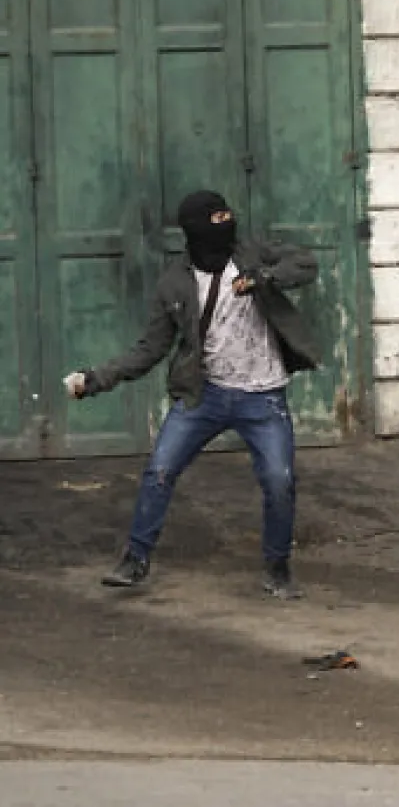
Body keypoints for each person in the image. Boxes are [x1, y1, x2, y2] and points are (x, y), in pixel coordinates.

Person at [65, 191, 318, 597]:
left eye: (227, 214)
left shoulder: (251, 252)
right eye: (215, 217)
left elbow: (305, 263)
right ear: (196, 229)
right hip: (205, 395)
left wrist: (264, 278)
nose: (226, 222)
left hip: (263, 396)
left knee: (278, 480)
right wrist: (97, 378)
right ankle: (135, 559)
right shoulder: (175, 282)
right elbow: (150, 348)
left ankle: (277, 567)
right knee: (159, 471)